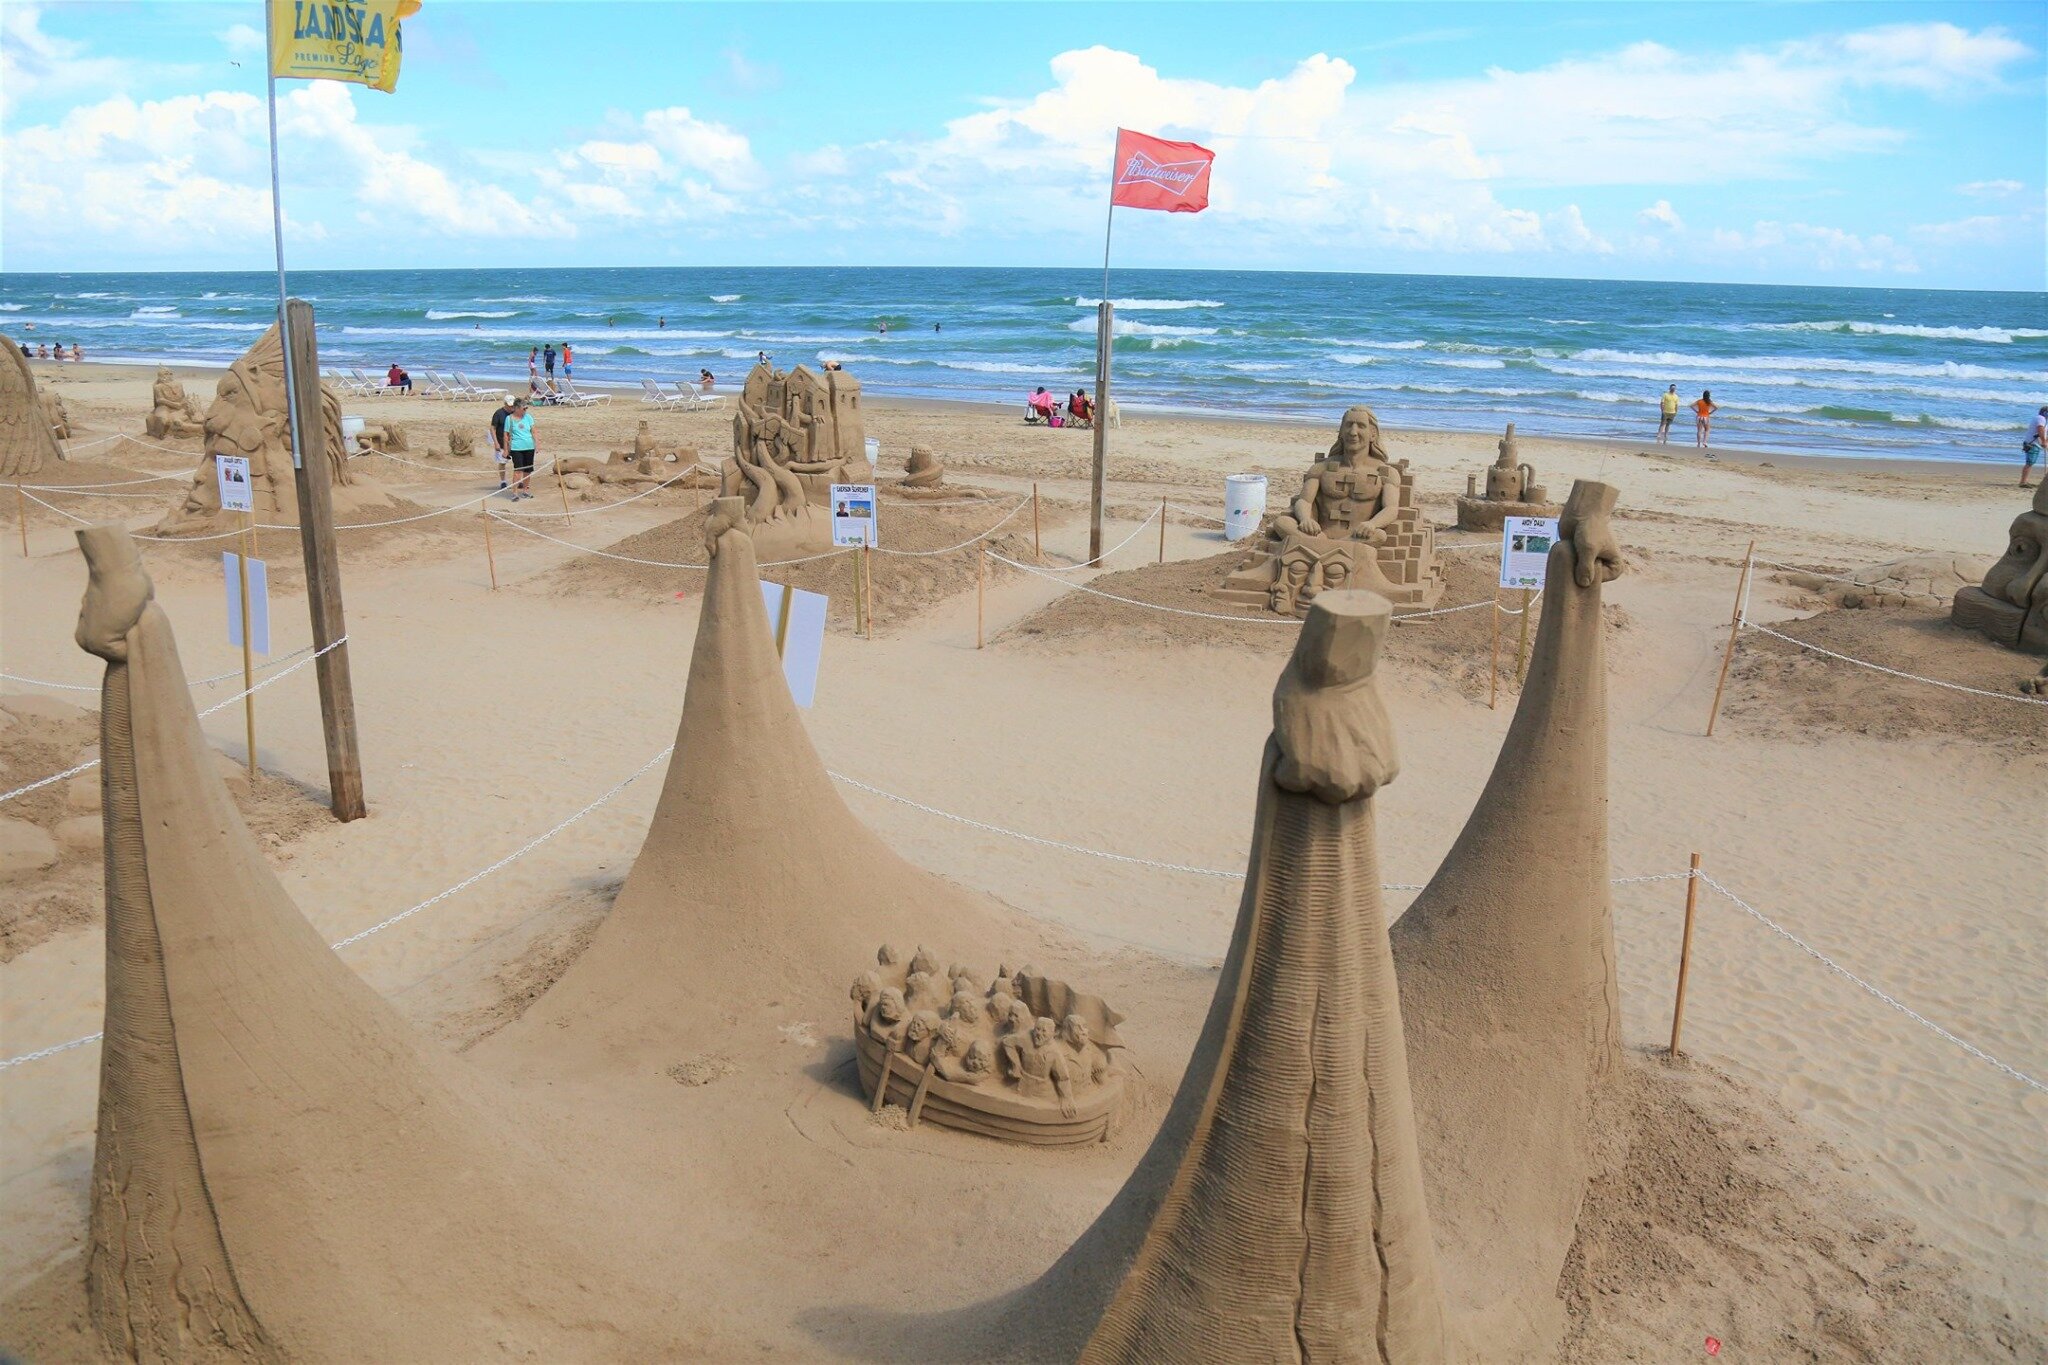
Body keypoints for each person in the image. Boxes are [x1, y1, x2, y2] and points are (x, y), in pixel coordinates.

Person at [504, 398, 537, 499]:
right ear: (517, 408)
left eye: (526, 408)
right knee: (518, 470)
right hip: (517, 448)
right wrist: (505, 450)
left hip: (529, 447)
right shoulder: (509, 419)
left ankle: (525, 490)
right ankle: (514, 493)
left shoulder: (528, 417)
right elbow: (506, 435)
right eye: (524, 408)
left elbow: (534, 431)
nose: (525, 410)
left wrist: (537, 444)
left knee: (528, 470)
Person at [489, 394, 515, 491]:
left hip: (514, 442)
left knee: (517, 462)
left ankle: (518, 480)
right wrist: (496, 442)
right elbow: (492, 428)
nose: (512, 407)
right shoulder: (499, 413)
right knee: (502, 462)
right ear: (505, 404)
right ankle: (503, 481)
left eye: (513, 405)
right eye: (510, 405)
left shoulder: (515, 413)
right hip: (501, 441)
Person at [2024, 406, 2047, 488]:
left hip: (2036, 444)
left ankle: (2024, 481)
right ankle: (2023, 482)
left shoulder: (2044, 421)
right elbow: (2040, 429)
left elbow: (2045, 432)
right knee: (2030, 462)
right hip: (2032, 444)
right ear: (2045, 413)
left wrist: (2045, 442)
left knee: (2031, 462)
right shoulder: (2041, 418)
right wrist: (2044, 441)